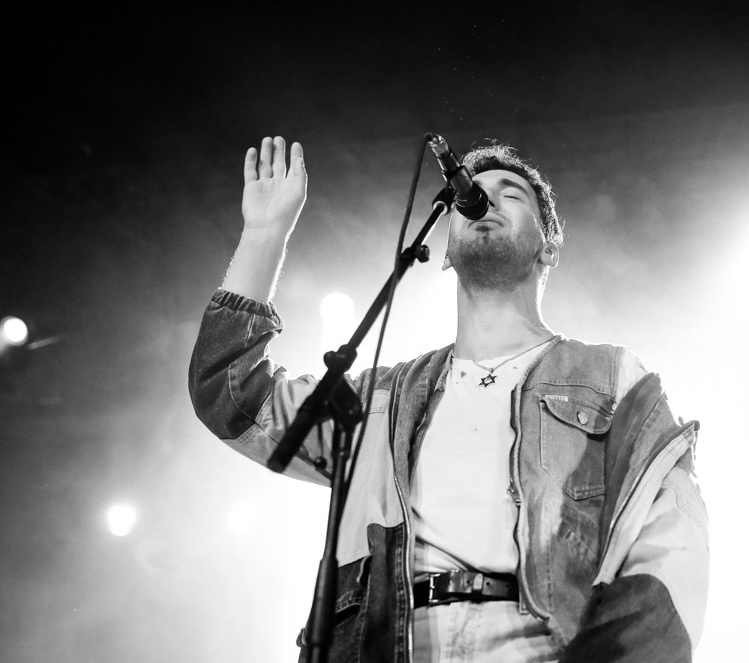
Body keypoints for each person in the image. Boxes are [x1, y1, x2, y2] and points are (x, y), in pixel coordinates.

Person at [189, 135, 709, 662]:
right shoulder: (383, 401)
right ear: (444, 252)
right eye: (470, 194)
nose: (482, 199)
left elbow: (668, 551)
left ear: (548, 247)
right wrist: (264, 235)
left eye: (511, 194)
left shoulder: (612, 378)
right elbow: (231, 394)